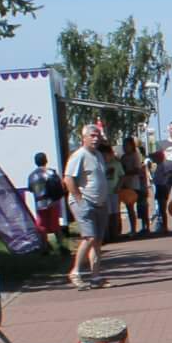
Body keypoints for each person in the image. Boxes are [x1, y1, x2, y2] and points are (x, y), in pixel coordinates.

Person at [62, 123, 112, 289]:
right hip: (85, 202)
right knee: (89, 237)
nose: (96, 139)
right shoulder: (79, 155)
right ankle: (75, 272)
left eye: (98, 136)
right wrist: (79, 199)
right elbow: (68, 178)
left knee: (97, 241)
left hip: (100, 203)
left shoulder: (98, 155)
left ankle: (96, 277)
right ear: (83, 138)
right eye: (92, 136)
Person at [25, 151, 65, 251]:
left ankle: (45, 246)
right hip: (53, 202)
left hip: (40, 203)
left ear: (35, 162)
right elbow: (60, 185)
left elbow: (30, 189)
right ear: (46, 160)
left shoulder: (32, 175)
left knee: (42, 226)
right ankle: (61, 245)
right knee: (55, 224)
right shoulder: (51, 172)